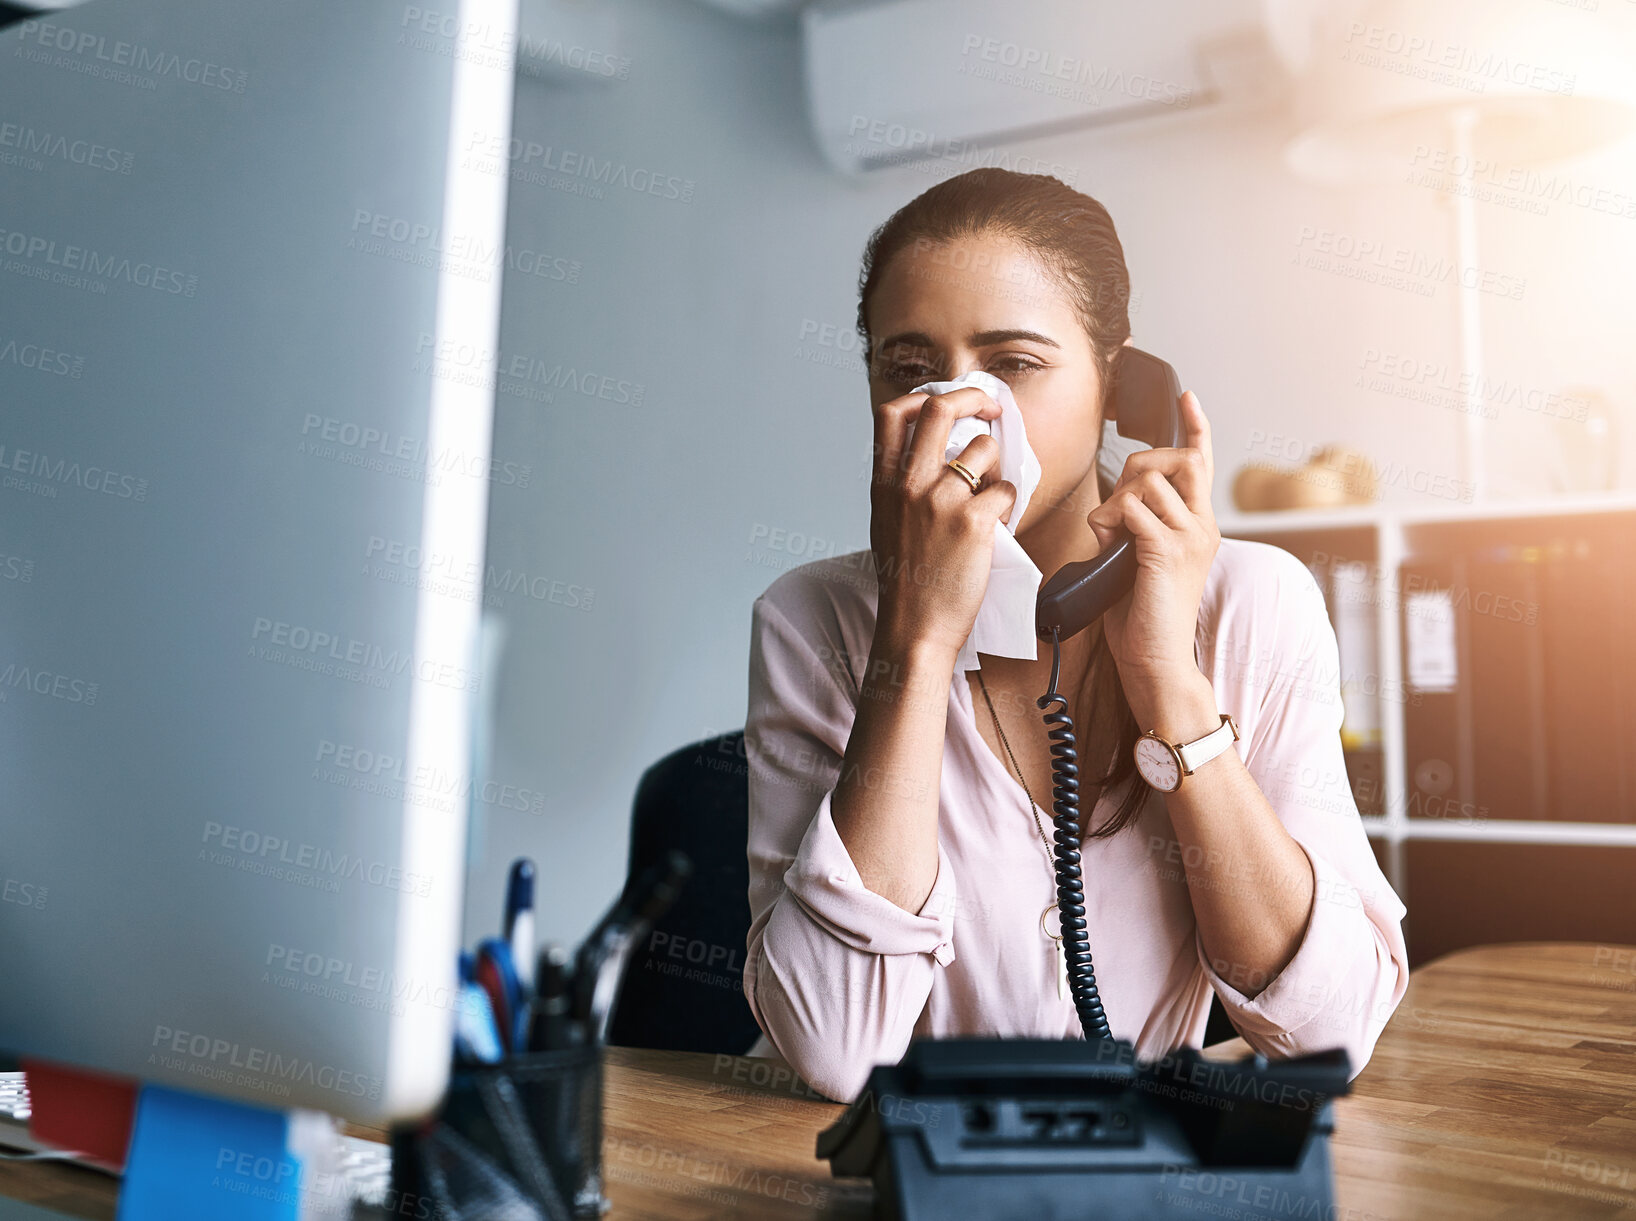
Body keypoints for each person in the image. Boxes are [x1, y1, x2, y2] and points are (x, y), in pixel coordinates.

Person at [740, 168, 1408, 1104]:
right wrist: (915, 645)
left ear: (1117, 387)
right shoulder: (812, 622)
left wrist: (1169, 681)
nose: (960, 409)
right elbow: (835, 1049)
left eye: (1013, 363)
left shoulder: (1255, 602)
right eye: (909, 368)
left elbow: (1329, 1029)